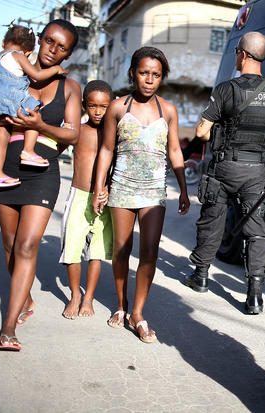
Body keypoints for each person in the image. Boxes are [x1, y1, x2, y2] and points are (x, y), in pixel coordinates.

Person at [0, 19, 82, 351]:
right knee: (9, 246)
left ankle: (8, 327)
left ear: (69, 53)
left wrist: (40, 124)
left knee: (26, 246)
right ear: (40, 41)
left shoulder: (70, 87)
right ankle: (26, 299)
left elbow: (73, 134)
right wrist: (0, 116)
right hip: (6, 167)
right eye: (49, 41)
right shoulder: (11, 70)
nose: (53, 49)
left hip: (42, 169)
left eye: (62, 47)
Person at [183, 31, 265, 314]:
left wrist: (227, 125)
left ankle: (201, 276)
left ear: (242, 54)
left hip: (225, 166)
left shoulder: (226, 89)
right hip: (256, 170)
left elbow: (202, 133)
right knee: (256, 230)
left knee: (213, 219)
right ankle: (255, 294)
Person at [92, 46, 190, 343]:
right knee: (121, 250)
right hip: (122, 186)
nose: (149, 79)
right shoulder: (118, 107)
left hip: (154, 190)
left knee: (149, 252)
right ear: (132, 73)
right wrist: (100, 187)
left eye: (156, 74)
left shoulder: (168, 110)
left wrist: (184, 188)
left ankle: (138, 312)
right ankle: (120, 306)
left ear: (162, 77)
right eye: (144, 73)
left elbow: (174, 150)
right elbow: (107, 149)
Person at [0, 22, 68, 188]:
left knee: (1, 139)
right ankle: (28, 151)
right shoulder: (18, 56)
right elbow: (38, 75)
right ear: (28, 52)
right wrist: (56, 70)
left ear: (4, 42)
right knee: (33, 110)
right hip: (9, 102)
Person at [59, 80, 113, 319]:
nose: (98, 112)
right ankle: (74, 295)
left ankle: (88, 296)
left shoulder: (116, 134)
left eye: (103, 106)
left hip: (104, 199)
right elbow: (53, 149)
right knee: (72, 248)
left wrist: (109, 188)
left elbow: (120, 165)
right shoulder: (77, 130)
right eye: (92, 106)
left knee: (96, 252)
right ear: (84, 106)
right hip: (79, 196)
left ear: (111, 106)